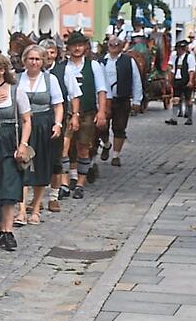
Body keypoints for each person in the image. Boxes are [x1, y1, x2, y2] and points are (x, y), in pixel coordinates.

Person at [0, 53, 31, 248]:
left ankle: (8, 231)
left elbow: (27, 120)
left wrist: (23, 144)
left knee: (9, 188)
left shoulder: (16, 91)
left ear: (1, 70)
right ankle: (2, 230)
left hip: (9, 142)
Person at [20, 45, 65, 224]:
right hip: (23, 125)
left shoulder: (50, 79)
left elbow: (58, 105)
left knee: (41, 166)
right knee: (22, 165)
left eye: (37, 59)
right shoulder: (17, 79)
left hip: (43, 125)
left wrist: (58, 124)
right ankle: (21, 210)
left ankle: (36, 209)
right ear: (25, 60)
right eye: (31, 59)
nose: (34, 62)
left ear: (43, 61)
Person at [64, 31, 108, 199]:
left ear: (85, 47)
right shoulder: (64, 67)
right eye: (74, 45)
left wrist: (101, 111)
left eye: (80, 45)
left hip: (88, 111)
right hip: (67, 112)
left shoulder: (93, 66)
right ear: (68, 48)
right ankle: (69, 178)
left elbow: (101, 90)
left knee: (83, 147)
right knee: (65, 148)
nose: (77, 48)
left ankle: (80, 183)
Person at [41, 39, 81, 212]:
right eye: (45, 52)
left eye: (52, 52)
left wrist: (75, 115)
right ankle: (36, 196)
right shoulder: (32, 73)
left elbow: (74, 94)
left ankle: (57, 191)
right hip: (38, 120)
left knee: (59, 154)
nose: (49, 56)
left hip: (59, 119)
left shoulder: (64, 70)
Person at [99, 36, 142, 165]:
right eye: (111, 44)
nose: (114, 47)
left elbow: (136, 80)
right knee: (102, 127)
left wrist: (137, 100)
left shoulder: (129, 61)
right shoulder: (101, 61)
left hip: (122, 98)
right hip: (104, 101)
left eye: (117, 44)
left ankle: (116, 156)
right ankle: (106, 144)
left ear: (121, 46)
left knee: (119, 127)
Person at [166, 39, 196, 126]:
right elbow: (173, 69)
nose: (178, 51)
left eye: (179, 49)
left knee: (188, 99)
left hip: (185, 80)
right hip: (177, 80)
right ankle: (174, 118)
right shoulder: (176, 58)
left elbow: (191, 70)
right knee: (175, 99)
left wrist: (190, 81)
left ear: (183, 49)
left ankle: (189, 118)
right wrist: (170, 80)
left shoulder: (189, 57)